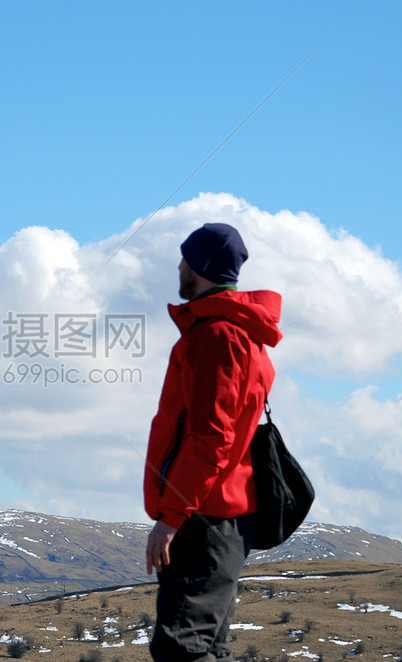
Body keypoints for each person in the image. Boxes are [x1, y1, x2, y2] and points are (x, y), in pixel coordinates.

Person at [143, 222, 283, 661]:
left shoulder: (215, 336)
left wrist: (171, 517)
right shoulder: (237, 333)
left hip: (204, 516)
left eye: (185, 258)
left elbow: (211, 436)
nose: (179, 266)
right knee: (209, 648)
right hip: (221, 515)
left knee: (181, 649)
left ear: (201, 266)